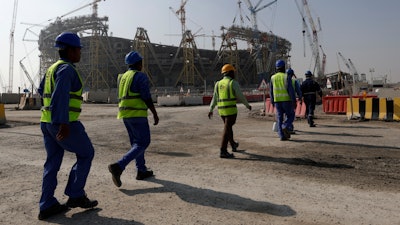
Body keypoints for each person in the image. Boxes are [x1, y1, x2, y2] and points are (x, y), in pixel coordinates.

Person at [38, 32, 98, 220]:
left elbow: (42, 90)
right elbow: (61, 95)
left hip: (46, 122)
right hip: (64, 123)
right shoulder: (67, 69)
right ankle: (75, 194)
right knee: (86, 153)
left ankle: (46, 204)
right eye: (79, 49)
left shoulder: (51, 69)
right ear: (71, 51)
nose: (80, 53)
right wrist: (63, 122)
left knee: (52, 162)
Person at [108, 51, 159, 187]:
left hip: (125, 115)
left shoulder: (122, 77)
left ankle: (141, 170)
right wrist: (154, 112)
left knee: (136, 144)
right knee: (143, 143)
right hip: (137, 114)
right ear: (138, 63)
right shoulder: (139, 76)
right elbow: (146, 96)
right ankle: (119, 166)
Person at [208, 64, 252, 158]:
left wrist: (211, 109)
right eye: (233, 72)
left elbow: (214, 98)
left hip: (222, 112)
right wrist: (247, 105)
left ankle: (233, 144)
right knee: (227, 129)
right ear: (230, 72)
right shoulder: (233, 82)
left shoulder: (218, 84)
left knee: (228, 128)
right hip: (231, 111)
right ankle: (223, 151)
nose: (234, 74)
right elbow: (240, 96)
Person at [269, 60, 297, 141]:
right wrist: (294, 101)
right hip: (286, 100)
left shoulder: (272, 78)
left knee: (279, 118)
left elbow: (271, 91)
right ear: (284, 67)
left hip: (277, 101)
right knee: (291, 115)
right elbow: (290, 90)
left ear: (276, 68)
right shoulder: (286, 76)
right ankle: (286, 125)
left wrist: (272, 101)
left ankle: (281, 136)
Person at [286, 68, 302, 134]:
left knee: (286, 115)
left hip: (283, 100)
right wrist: (300, 98)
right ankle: (288, 127)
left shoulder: (283, 80)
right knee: (291, 115)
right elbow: (298, 91)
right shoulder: (294, 81)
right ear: (292, 74)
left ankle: (288, 127)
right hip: (291, 100)